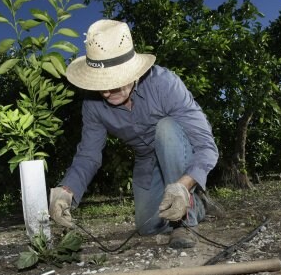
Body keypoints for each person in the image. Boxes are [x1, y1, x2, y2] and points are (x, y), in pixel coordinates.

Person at [49, 19, 220, 248]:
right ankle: (197, 204)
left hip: (177, 147)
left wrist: (183, 184)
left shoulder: (164, 84)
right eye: (101, 84)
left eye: (115, 82)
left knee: (166, 129)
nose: (107, 92)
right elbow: (88, 155)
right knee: (147, 227)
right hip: (146, 159)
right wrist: (66, 190)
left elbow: (207, 147)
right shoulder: (92, 104)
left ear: (132, 72)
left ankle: (186, 218)